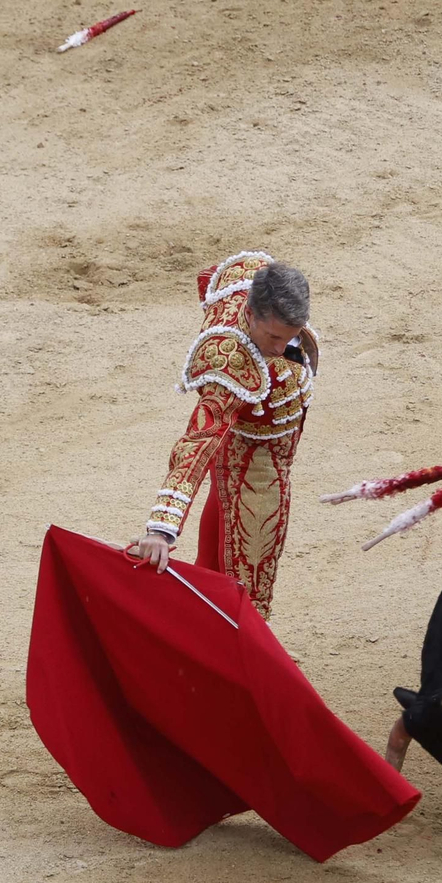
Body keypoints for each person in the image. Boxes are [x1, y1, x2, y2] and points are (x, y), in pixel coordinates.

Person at [126, 252, 318, 619]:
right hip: (258, 469)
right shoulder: (230, 368)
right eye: (274, 336)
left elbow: (209, 276)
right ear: (250, 314)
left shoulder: (247, 277)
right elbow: (196, 445)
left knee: (212, 569)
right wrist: (161, 530)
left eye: (290, 337)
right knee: (249, 592)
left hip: (240, 454)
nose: (280, 348)